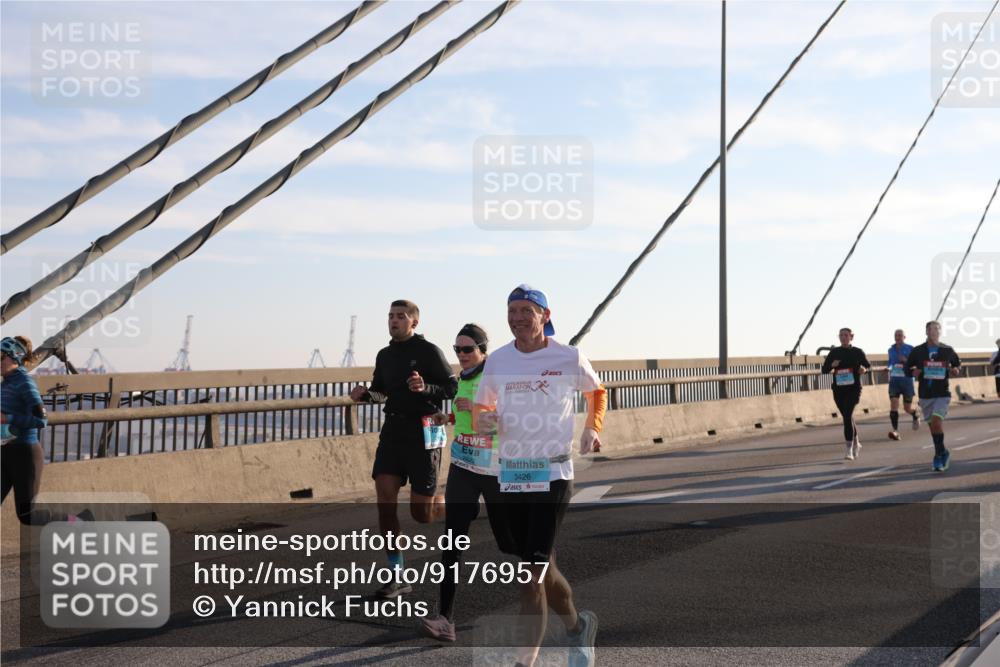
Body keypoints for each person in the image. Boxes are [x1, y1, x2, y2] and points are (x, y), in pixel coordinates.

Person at [474, 284, 607, 667]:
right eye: (512, 311)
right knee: (541, 568)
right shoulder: (497, 360)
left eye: (525, 311)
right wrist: (485, 421)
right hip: (511, 473)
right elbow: (485, 406)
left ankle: (523, 662)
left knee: (529, 578)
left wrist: (592, 428)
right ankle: (577, 625)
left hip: (552, 472)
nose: (517, 318)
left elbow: (597, 393)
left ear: (544, 316)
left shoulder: (568, 356)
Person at [349, 300, 457, 598]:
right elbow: (381, 390)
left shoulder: (429, 352)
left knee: (422, 514)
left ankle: (446, 498)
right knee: (385, 500)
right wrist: (365, 395)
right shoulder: (385, 355)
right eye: (390, 316)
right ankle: (397, 574)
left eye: (400, 317)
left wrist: (426, 388)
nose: (393, 321)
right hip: (394, 430)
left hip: (424, 431)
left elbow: (451, 388)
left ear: (414, 323)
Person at [421, 323, 500, 642]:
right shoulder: (461, 381)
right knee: (452, 542)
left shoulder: (494, 379)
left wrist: (480, 409)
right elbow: (462, 414)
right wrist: (448, 418)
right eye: (457, 350)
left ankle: (545, 595)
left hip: (494, 468)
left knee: (511, 540)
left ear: (483, 350)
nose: (462, 355)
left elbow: (507, 420)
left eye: (468, 349)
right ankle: (445, 618)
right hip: (464, 465)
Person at [2, 336, 91, 525]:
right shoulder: (6, 382)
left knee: (27, 515)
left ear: (15, 357)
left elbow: (41, 419)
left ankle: (80, 521)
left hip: (24, 453)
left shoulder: (24, 382)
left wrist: (7, 418)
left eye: (1, 356)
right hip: (6, 451)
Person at [906, 321, 962, 472]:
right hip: (925, 394)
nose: (934, 331)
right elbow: (907, 368)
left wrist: (955, 370)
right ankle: (943, 451)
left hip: (942, 393)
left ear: (940, 332)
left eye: (937, 329)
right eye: (931, 329)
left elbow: (957, 364)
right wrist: (913, 372)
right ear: (926, 332)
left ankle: (938, 456)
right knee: (933, 428)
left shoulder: (947, 350)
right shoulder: (918, 351)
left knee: (937, 423)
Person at [821, 328, 870, 461]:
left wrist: (864, 369)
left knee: (847, 416)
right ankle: (856, 441)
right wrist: (832, 364)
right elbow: (824, 370)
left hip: (853, 389)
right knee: (847, 417)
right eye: (841, 335)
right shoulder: (834, 352)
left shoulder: (857, 352)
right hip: (839, 390)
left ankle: (849, 450)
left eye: (846, 335)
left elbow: (868, 366)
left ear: (851, 337)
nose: (843, 337)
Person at [886, 329, 919, 440]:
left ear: (905, 337)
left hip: (907, 381)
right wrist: (888, 368)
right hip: (894, 381)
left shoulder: (911, 349)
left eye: (900, 335)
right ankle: (895, 431)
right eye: (896, 335)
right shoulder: (891, 349)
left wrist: (905, 360)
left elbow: (916, 364)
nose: (898, 337)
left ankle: (914, 414)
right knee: (893, 405)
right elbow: (890, 362)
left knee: (907, 408)